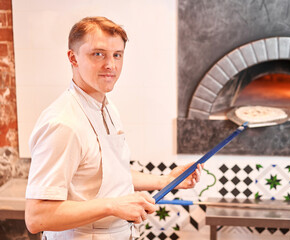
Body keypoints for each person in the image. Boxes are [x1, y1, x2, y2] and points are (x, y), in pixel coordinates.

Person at [25, 16, 203, 240]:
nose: (110, 65)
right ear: (73, 58)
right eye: (98, 54)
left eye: (117, 55)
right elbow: (36, 217)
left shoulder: (106, 107)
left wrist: (166, 181)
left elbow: (107, 173)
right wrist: (112, 206)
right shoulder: (63, 123)